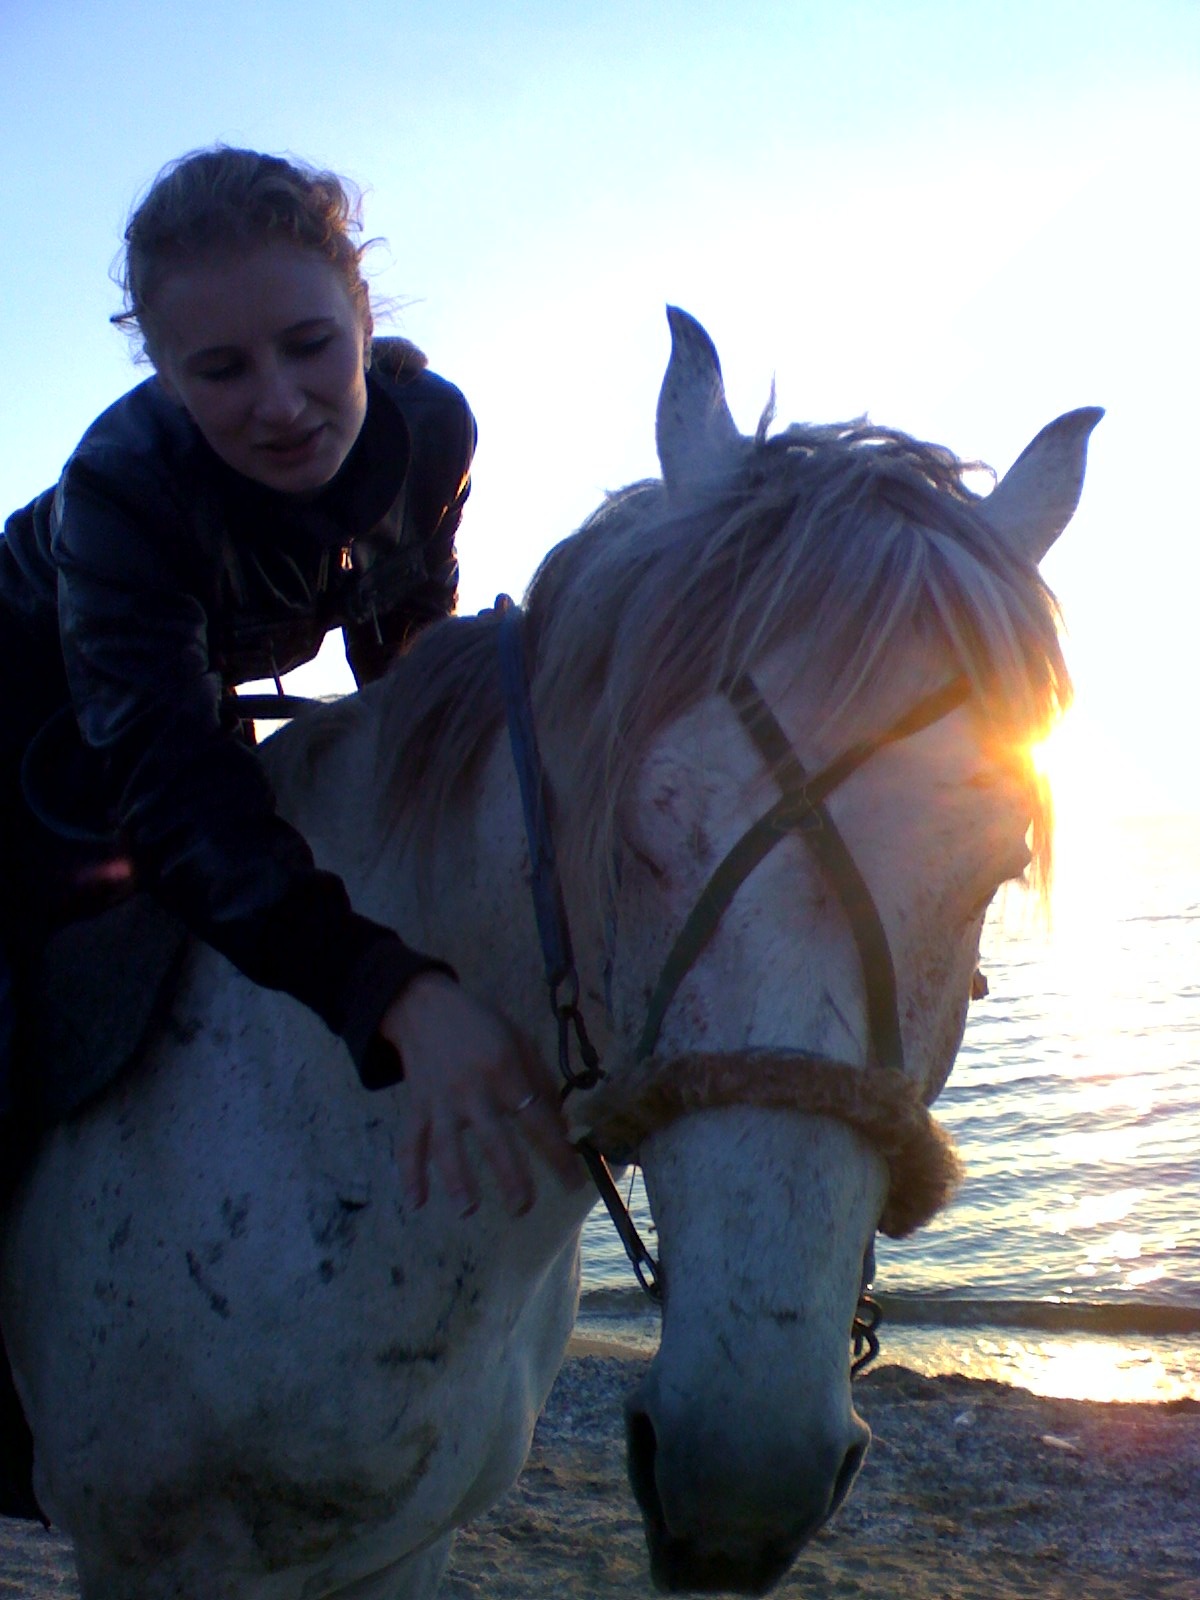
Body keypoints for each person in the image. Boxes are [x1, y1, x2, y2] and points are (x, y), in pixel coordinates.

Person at [0, 147, 581, 1519]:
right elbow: (180, 805)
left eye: (311, 346)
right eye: (219, 370)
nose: (278, 402)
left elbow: (404, 648)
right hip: (30, 722)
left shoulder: (434, 435)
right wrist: (398, 996)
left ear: (364, 318)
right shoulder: (123, 491)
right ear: (162, 373)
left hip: (187, 701)